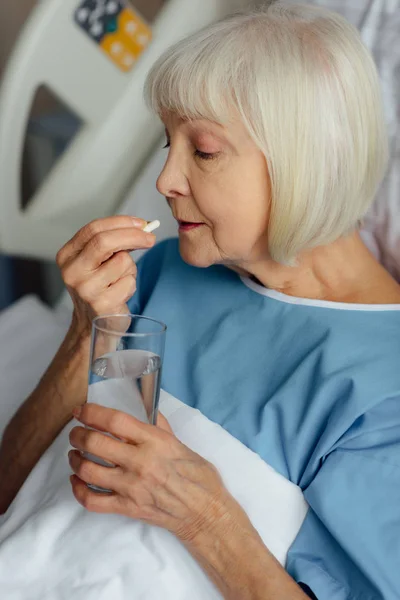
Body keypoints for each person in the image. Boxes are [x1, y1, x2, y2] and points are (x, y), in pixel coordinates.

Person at [1, 2, 400, 599]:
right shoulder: (164, 274)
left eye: (203, 151)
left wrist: (205, 519)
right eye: (167, 143)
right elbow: (11, 493)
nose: (165, 179)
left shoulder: (382, 388)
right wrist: (87, 331)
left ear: (303, 161)